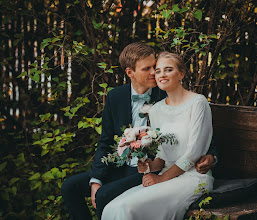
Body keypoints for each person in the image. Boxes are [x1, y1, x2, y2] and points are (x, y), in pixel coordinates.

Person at [61, 43, 217, 220]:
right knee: (70, 187)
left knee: (105, 195)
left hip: (151, 171)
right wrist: (96, 179)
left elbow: (196, 137)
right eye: (148, 69)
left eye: (155, 67)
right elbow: (105, 141)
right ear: (130, 72)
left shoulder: (166, 91)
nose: (155, 73)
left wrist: (211, 155)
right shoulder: (116, 97)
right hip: (123, 167)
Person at [101, 51, 214, 220]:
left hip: (192, 177)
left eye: (168, 70)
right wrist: (147, 166)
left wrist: (161, 178)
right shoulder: (156, 110)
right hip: (166, 175)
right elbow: (162, 155)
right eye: (159, 71)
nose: (161, 75)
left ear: (181, 73)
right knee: (113, 207)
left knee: (127, 208)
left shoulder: (198, 103)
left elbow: (194, 153)